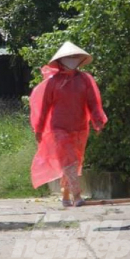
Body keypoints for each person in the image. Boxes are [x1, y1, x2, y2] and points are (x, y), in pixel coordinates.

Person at [30, 42, 107, 207]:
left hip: (80, 127)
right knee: (69, 160)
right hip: (59, 128)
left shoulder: (85, 79)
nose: (72, 60)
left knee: (75, 162)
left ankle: (65, 195)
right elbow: (44, 108)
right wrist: (39, 129)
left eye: (74, 57)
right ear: (60, 61)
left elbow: (93, 102)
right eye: (68, 57)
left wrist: (98, 121)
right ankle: (77, 196)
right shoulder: (53, 82)